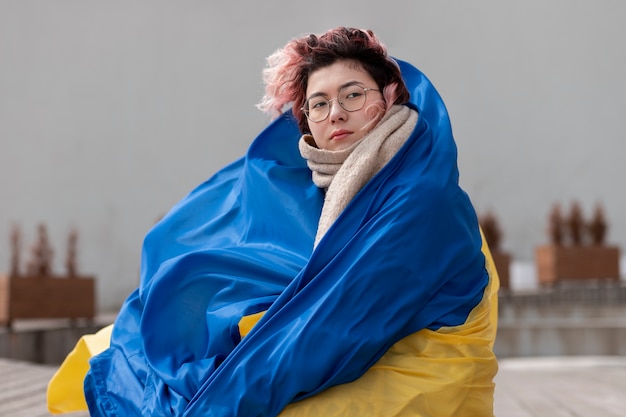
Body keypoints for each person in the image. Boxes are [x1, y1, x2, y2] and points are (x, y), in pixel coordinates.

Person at [48, 27, 499, 416]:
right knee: (132, 340)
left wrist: (214, 403)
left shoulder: (418, 197)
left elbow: (330, 330)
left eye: (353, 94)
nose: (335, 113)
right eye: (318, 104)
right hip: (365, 344)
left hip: (424, 367)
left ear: (390, 97)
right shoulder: (324, 180)